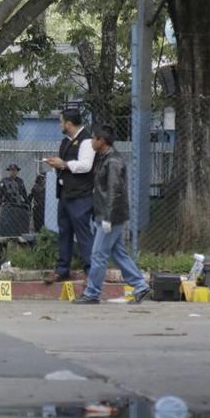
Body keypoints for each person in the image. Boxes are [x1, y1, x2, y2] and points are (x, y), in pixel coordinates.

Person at [73, 128, 151, 305]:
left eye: (94, 139)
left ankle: (92, 293)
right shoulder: (105, 159)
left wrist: (108, 217)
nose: (91, 142)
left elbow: (114, 191)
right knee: (118, 254)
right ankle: (141, 286)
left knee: (98, 255)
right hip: (108, 214)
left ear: (102, 141)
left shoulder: (113, 161)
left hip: (111, 216)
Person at [44, 108, 95, 283]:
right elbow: (64, 166)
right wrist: (55, 164)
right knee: (64, 232)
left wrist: (64, 164)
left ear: (69, 124)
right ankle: (62, 269)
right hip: (65, 194)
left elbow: (86, 166)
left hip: (80, 195)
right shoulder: (66, 141)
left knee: (83, 233)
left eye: (61, 122)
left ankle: (91, 271)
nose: (60, 125)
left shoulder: (87, 141)